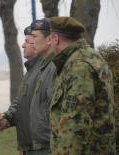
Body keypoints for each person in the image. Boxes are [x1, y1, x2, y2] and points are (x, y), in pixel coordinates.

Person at [49, 16, 116, 154]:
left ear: (56, 39)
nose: (49, 43)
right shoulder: (89, 57)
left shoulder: (79, 66)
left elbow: (75, 125)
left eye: (50, 39)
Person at [0, 18, 56, 155]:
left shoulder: (50, 68)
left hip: (42, 146)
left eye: (28, 41)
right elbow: (21, 102)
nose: (23, 45)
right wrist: (7, 117)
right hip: (30, 146)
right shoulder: (31, 71)